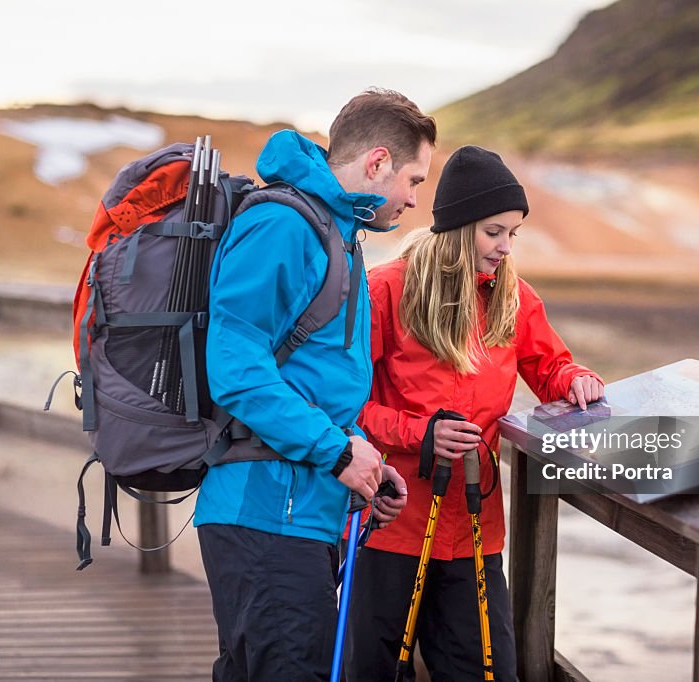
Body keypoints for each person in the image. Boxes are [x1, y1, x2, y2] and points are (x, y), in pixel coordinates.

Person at [195, 88, 437, 681]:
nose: (412, 198)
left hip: (299, 512)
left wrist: (364, 462)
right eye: (413, 179)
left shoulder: (335, 231)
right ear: (377, 162)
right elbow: (237, 368)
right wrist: (335, 452)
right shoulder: (283, 223)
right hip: (264, 513)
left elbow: (314, 383)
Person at [346, 145, 604, 681]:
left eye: (514, 233)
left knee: (488, 673)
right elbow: (344, 408)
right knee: (373, 672)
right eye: (494, 232)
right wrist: (419, 434)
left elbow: (549, 365)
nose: (506, 247)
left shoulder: (515, 297)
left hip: (476, 532)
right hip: (390, 524)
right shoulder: (385, 290)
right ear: (460, 227)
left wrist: (574, 379)